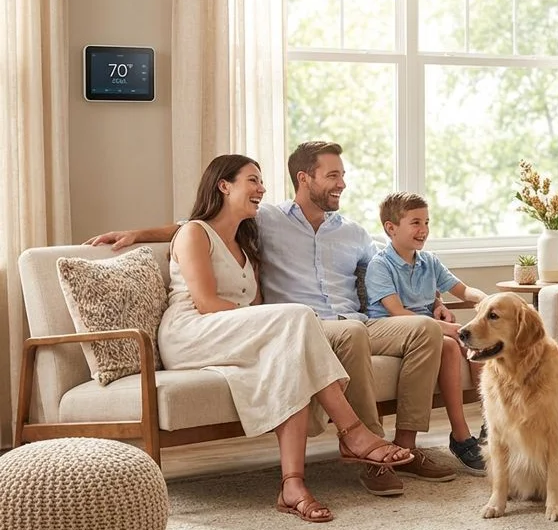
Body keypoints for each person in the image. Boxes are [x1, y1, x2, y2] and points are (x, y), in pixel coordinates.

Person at [85, 141, 454, 494]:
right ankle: (363, 444)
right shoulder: (265, 220)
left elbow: (393, 262)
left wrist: (433, 299)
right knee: (334, 329)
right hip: (268, 326)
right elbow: (196, 229)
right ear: (304, 178)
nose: (342, 183)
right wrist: (138, 233)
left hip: (333, 320)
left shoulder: (324, 233)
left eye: (343, 175)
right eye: (333, 175)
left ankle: (402, 448)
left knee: (421, 329)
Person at [159, 154, 415, 523]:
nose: (262, 188)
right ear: (224, 185)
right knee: (297, 315)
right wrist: (134, 235)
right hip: (191, 332)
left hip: (232, 334)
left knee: (290, 358)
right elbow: (207, 303)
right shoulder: (195, 233)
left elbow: (253, 307)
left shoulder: (245, 244)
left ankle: (292, 485)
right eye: (252, 180)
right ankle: (353, 431)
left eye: (261, 181)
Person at [365, 191, 489, 475]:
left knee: (478, 343)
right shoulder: (380, 265)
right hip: (391, 330)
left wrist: (486, 300)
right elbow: (397, 312)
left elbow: (463, 290)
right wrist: (449, 328)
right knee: (450, 344)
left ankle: (490, 424)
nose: (423, 229)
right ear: (391, 228)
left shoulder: (429, 261)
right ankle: (460, 436)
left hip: (428, 330)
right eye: (415, 223)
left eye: (426, 222)